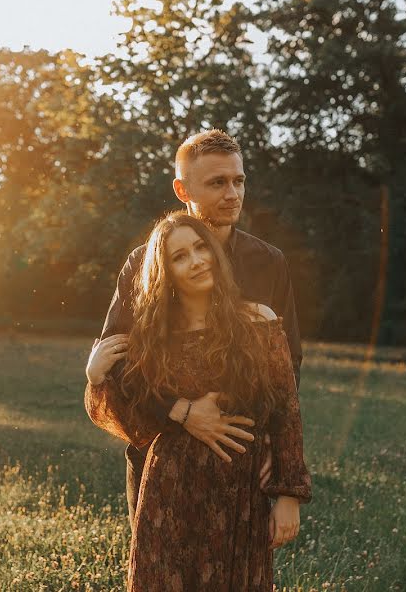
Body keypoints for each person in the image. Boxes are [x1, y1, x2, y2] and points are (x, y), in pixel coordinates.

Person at [85, 212, 311, 590]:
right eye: (179, 256)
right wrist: (95, 376)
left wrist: (288, 494)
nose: (196, 261)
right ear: (166, 271)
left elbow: (286, 411)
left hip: (240, 491)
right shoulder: (153, 337)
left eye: (201, 248)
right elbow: (133, 416)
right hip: (169, 492)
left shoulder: (259, 320)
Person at [96, 129, 304, 524]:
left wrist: (278, 451)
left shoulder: (269, 262)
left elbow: (289, 367)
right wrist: (183, 411)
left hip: (240, 461)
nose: (232, 194)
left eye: (238, 180)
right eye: (216, 183)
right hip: (160, 458)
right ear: (182, 189)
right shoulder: (143, 264)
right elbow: (117, 364)